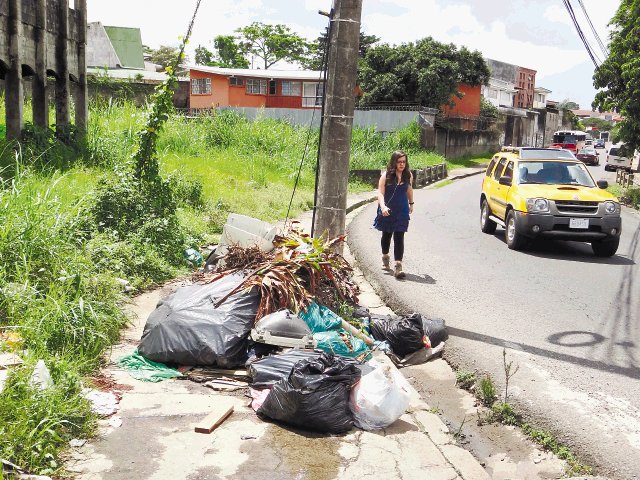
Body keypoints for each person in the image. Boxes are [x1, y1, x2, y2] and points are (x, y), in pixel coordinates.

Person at [373, 150, 414, 279]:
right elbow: (380, 193)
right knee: (386, 235)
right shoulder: (386, 176)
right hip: (388, 210)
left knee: (399, 236)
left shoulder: (408, 175)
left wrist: (411, 203)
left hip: (401, 210)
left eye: (404, 162)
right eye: (399, 162)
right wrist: (383, 206)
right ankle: (385, 256)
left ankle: (398, 266)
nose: (402, 164)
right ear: (394, 162)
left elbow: (409, 189)